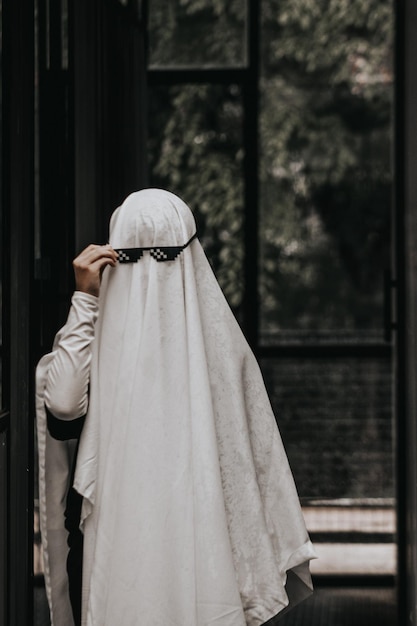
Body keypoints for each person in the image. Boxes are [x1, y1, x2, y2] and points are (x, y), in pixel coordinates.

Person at [36, 189, 316, 626]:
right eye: (131, 259)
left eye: (159, 257)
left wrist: (87, 303)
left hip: (187, 546)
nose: (148, 275)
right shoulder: (97, 330)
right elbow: (64, 406)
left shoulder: (222, 353)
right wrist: (86, 301)